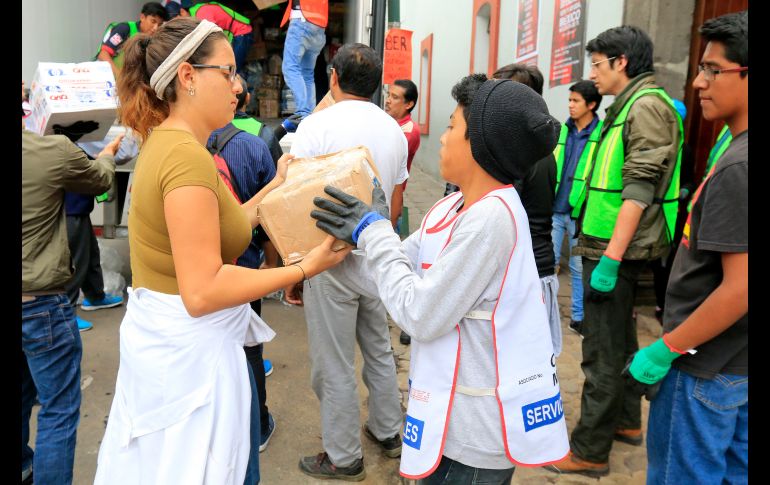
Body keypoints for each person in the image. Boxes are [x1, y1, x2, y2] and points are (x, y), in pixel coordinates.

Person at [92, 18, 349, 484]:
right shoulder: (185, 156)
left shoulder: (176, 144)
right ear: (187, 77)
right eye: (228, 72)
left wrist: (274, 186)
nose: (239, 86)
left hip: (182, 355)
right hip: (190, 366)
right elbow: (203, 288)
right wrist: (304, 268)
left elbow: (226, 225)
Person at [310, 76, 569, 484]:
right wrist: (324, 259)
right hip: (448, 421)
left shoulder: (492, 219)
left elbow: (420, 313)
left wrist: (374, 232)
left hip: (474, 439)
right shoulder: (452, 207)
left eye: (452, 127)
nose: (444, 139)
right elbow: (393, 274)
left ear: (480, 145)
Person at [545, 25, 683, 477]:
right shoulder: (628, 107)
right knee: (620, 341)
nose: (593, 74)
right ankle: (625, 422)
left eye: (598, 64)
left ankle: (589, 451)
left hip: (614, 251)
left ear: (621, 61)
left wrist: (610, 258)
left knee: (600, 353)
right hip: (609, 245)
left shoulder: (644, 108)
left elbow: (639, 189)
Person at [628, 11, 747, 484]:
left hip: (703, 367)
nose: (698, 82)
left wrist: (666, 348)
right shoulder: (730, 147)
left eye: (712, 70)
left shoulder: (738, 165)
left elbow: (738, 289)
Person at [289, 42, 407, 481]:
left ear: (333, 77)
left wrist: (298, 267)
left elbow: (298, 199)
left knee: (334, 361)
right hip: (377, 251)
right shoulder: (393, 129)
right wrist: (381, 242)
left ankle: (343, 456)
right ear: (377, 86)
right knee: (377, 346)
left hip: (328, 255)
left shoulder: (316, 126)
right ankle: (388, 431)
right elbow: (395, 198)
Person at [22, 101, 122, 484]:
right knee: (58, 408)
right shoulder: (50, 151)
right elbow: (98, 180)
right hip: (40, 303)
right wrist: (109, 154)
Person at [208, 81, 279, 468]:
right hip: (244, 268)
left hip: (198, 271)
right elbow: (269, 216)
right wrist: (275, 266)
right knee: (250, 350)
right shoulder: (257, 143)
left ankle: (218, 428)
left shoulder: (180, 146)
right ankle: (258, 424)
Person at [551, 80, 603, 337]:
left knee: (578, 268)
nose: (570, 106)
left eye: (575, 101)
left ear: (591, 105)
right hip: (554, 208)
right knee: (546, 264)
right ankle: (542, 314)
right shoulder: (562, 130)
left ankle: (579, 318)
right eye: (569, 100)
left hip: (580, 213)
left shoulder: (602, 134)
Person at [384, 78, 420, 345]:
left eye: (396, 97)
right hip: (387, 195)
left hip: (391, 197)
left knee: (394, 254)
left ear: (409, 104)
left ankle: (406, 314)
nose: (388, 100)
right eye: (389, 95)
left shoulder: (407, 132)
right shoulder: (393, 125)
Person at [63, 189, 124, 332]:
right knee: (74, 263)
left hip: (78, 207)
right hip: (70, 209)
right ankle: (67, 317)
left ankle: (95, 296)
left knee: (90, 253)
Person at [279, 0, 328, 133]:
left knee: (290, 68)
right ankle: (308, 116)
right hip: (319, 25)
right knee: (307, 73)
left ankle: (302, 114)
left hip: (302, 19)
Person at [179, 1, 254, 76]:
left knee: (233, 71)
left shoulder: (200, 13)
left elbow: (211, 35)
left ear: (182, 11)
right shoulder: (196, 12)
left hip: (242, 32)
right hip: (237, 35)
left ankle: (245, 86)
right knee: (232, 70)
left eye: (178, 19)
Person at [95, 2, 168, 79]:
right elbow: (103, 54)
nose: (155, 28)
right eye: (153, 21)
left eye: (159, 25)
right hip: (108, 80)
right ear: (142, 17)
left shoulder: (154, 39)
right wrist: (120, 79)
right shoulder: (124, 29)